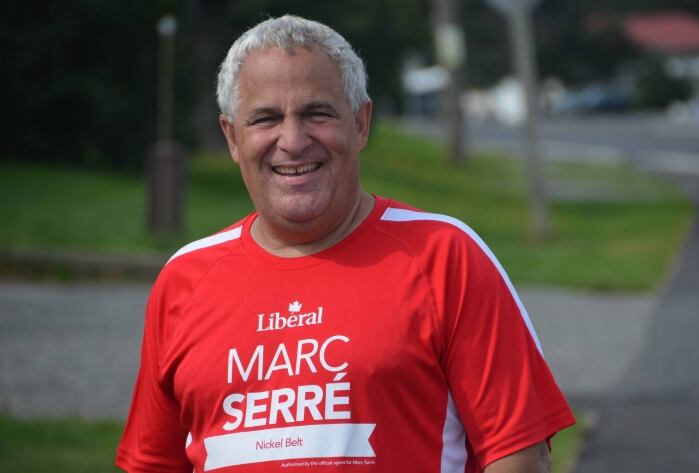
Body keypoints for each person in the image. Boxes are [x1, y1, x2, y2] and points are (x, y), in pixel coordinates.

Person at [116, 15, 575, 473]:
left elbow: (519, 456)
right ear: (232, 137)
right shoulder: (185, 279)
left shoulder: (443, 255)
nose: (292, 141)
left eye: (317, 113)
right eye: (266, 118)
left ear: (360, 124)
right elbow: (152, 464)